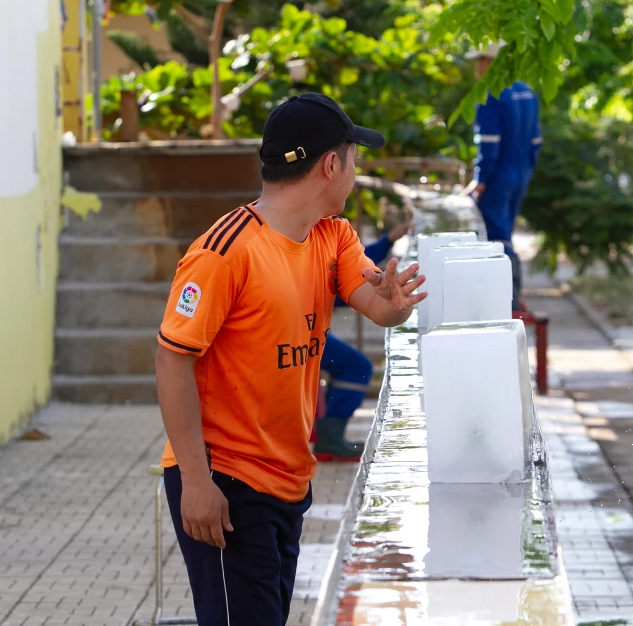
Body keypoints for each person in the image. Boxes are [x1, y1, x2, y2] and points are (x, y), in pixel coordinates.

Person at [153, 92, 427, 626]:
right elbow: (172, 361)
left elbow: (377, 307)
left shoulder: (332, 236)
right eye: (354, 159)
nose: (355, 173)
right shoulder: (223, 253)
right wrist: (197, 483)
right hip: (226, 481)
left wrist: (397, 305)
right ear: (331, 165)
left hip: (287, 480)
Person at [315, 221, 411, 461]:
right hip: (291, 332)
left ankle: (328, 436)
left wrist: (389, 240)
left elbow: (356, 267)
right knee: (356, 367)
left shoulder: (330, 230)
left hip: (308, 329)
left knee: (354, 366)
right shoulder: (316, 230)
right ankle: (328, 438)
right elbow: (355, 271)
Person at [466, 40, 543, 311]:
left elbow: (488, 144)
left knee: (496, 237)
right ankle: (513, 298)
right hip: (519, 174)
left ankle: (507, 302)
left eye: (480, 60)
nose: (477, 67)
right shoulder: (528, 92)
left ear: (491, 62)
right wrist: (524, 171)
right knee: (506, 233)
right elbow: (536, 142)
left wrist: (480, 180)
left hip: (498, 177)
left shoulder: (491, 94)